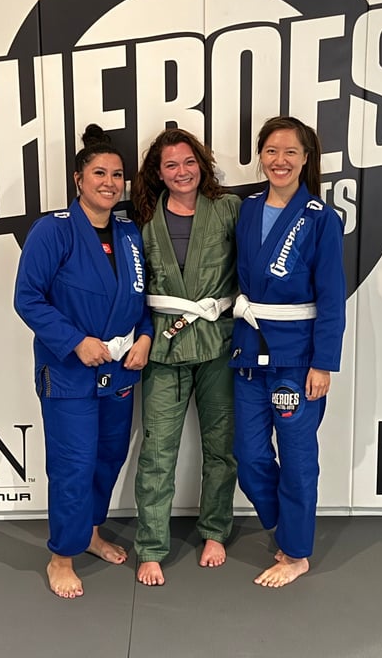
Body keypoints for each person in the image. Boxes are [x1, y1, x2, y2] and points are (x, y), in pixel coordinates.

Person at [14, 124, 153, 599]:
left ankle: (90, 531)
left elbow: (142, 298)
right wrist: (74, 341)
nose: (110, 183)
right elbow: (28, 298)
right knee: (73, 463)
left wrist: (145, 337)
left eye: (117, 175)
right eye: (99, 173)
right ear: (78, 179)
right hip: (70, 371)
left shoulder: (129, 233)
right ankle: (62, 556)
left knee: (109, 455)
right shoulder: (52, 230)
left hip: (119, 369)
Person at [230, 115, 346, 588]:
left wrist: (323, 362)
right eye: (271, 151)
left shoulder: (321, 218)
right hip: (248, 351)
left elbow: (332, 297)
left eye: (290, 152)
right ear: (261, 156)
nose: (280, 160)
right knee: (249, 455)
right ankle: (285, 525)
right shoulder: (247, 210)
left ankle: (296, 552)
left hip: (297, 359)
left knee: (297, 459)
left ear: (306, 158)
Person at [131, 127, 240, 586]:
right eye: (171, 165)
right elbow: (132, 287)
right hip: (164, 345)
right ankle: (151, 547)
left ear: (202, 164)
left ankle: (215, 531)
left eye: (189, 162)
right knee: (157, 450)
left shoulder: (229, 209)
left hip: (218, 342)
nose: (182, 172)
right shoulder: (141, 220)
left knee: (221, 446)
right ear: (158, 173)